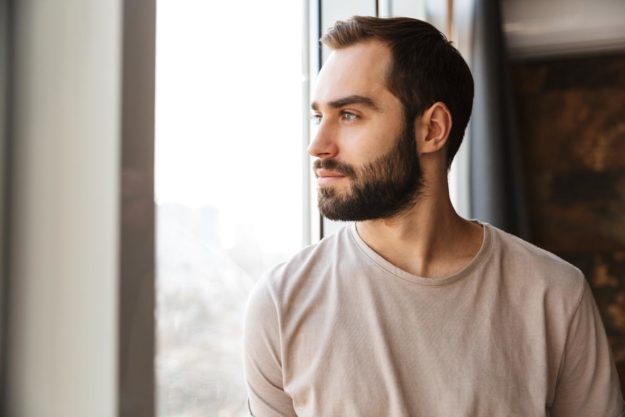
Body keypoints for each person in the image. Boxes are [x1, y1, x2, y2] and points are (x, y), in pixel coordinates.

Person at [242, 16, 625, 417]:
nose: (317, 145)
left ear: (432, 129)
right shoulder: (280, 304)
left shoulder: (555, 294)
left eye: (349, 114)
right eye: (318, 117)